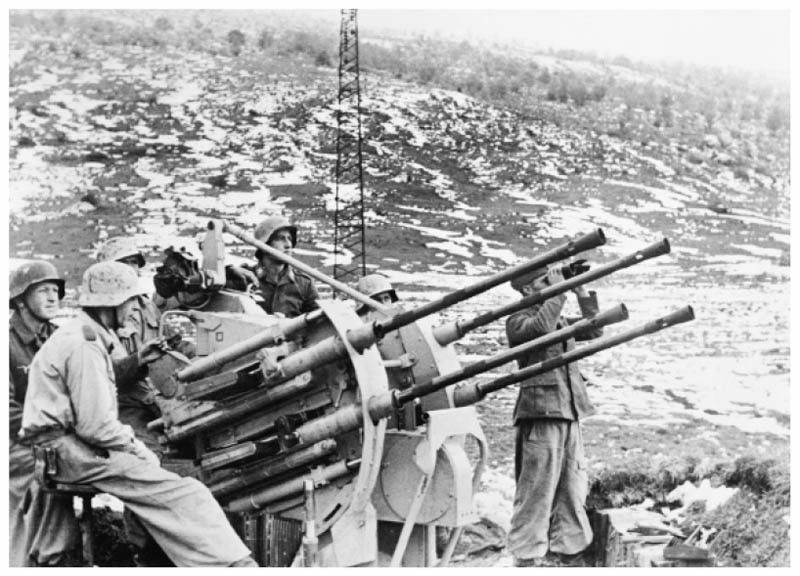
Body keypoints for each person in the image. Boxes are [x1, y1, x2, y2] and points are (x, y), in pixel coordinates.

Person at [20, 261, 257, 567]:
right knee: (186, 492)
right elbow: (97, 426)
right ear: (112, 302)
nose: (135, 308)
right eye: (131, 301)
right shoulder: (85, 345)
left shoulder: (82, 334)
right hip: (70, 453)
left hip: (64, 448)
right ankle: (233, 566)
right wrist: (138, 449)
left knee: (170, 482)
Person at [505, 265, 602, 567]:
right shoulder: (518, 321)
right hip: (541, 413)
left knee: (571, 486)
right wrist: (559, 291)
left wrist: (580, 288)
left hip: (568, 410)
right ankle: (526, 556)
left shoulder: (555, 316)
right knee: (537, 489)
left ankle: (568, 550)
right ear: (526, 290)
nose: (550, 283)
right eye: (543, 281)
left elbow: (594, 328)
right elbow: (541, 331)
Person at [9, 261, 80, 566]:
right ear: (21, 298)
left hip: (53, 435)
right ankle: (48, 558)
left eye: (56, 291)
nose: (53, 298)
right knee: (46, 475)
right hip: (17, 443)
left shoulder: (59, 338)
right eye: (43, 291)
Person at [247, 215, 319, 318]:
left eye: (289, 238)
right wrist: (231, 270)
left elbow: (319, 323)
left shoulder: (305, 284)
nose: (288, 244)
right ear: (264, 246)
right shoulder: (245, 278)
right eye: (281, 239)